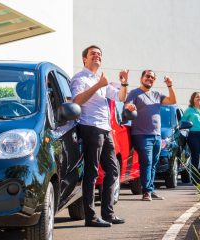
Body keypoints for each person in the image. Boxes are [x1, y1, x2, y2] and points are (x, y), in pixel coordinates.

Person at [71, 45, 127, 227]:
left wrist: (124, 83)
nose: (97, 56)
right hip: (90, 127)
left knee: (112, 170)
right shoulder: (80, 78)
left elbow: (120, 97)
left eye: (99, 54)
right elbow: (77, 101)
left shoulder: (101, 80)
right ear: (84, 59)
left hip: (105, 128)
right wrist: (98, 85)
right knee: (92, 172)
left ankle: (108, 214)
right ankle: (91, 217)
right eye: (93, 53)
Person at [125, 70, 176, 201]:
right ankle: (146, 191)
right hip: (141, 135)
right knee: (146, 162)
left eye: (152, 77)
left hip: (156, 135)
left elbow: (172, 100)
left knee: (153, 163)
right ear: (142, 78)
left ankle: (151, 190)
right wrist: (130, 107)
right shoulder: (134, 93)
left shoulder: (157, 94)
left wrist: (170, 85)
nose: (150, 79)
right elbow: (127, 105)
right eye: (147, 76)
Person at [180, 92, 200, 184]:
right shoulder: (189, 110)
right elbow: (182, 121)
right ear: (193, 99)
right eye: (197, 97)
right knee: (195, 157)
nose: (199, 98)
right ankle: (195, 179)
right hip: (193, 135)